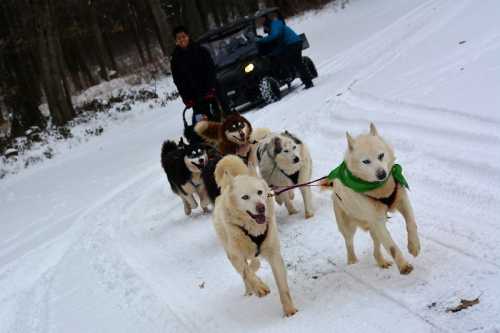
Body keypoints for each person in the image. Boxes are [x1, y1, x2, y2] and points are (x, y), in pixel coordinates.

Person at [170, 26, 223, 124]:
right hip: (194, 98)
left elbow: (211, 69)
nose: (182, 40)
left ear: (188, 36)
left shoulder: (201, 50)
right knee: (202, 124)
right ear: (176, 40)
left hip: (209, 92)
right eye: (179, 38)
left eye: (183, 36)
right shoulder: (175, 59)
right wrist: (186, 98)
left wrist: (211, 88)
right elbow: (178, 81)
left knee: (217, 119)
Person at [257, 14, 314, 89]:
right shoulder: (275, 24)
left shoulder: (275, 24)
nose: (267, 31)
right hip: (294, 42)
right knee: (297, 63)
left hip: (292, 43)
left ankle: (308, 83)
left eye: (260, 19)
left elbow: (275, 35)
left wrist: (260, 40)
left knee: (296, 63)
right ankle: (306, 80)